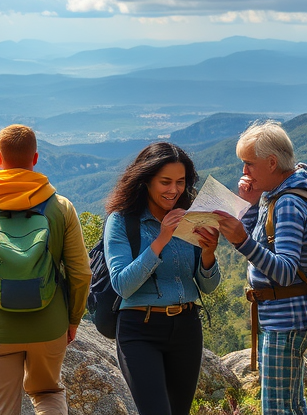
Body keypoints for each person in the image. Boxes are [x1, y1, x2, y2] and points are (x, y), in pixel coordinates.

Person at [0, 124, 91, 415]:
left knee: (1, 409)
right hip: (50, 324)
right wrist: (73, 319)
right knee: (48, 392)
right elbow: (80, 273)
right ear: (35, 159)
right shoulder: (61, 207)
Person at [212, 121, 307, 415]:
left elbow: (285, 271)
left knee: (276, 409)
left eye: (249, 164)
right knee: (293, 405)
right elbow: (264, 242)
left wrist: (240, 240)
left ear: (272, 162)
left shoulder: (287, 203)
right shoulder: (275, 196)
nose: (244, 171)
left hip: (286, 319)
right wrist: (248, 205)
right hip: (288, 316)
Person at [104, 142, 221, 415]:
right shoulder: (122, 221)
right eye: (165, 182)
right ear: (146, 180)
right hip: (139, 329)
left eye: (180, 182)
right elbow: (122, 284)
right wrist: (162, 239)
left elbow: (209, 286)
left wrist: (208, 254)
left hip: (187, 327)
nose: (174, 190)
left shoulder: (192, 217)